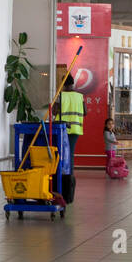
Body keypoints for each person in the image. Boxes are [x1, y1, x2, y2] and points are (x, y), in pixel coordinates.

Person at [53, 74, 84, 205]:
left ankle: (64, 182)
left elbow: (54, 112)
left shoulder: (61, 95)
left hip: (63, 129)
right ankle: (69, 181)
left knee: (60, 155)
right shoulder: (80, 96)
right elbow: (86, 111)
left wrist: (54, 105)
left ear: (64, 84)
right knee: (70, 155)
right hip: (76, 129)